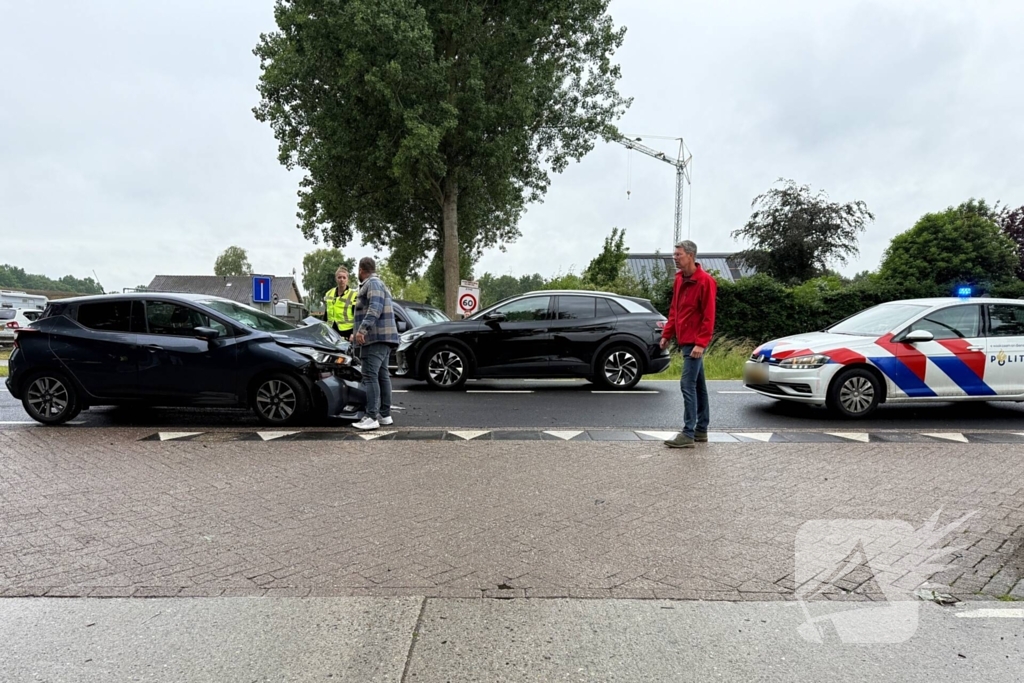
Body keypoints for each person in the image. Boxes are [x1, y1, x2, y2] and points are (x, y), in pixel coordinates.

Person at [661, 240, 717, 449]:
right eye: (674, 254)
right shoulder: (679, 279)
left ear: (691, 256)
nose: (675, 258)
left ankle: (688, 433)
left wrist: (701, 343)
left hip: (694, 343)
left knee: (687, 385)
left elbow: (708, 316)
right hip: (685, 341)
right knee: (699, 387)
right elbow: (675, 310)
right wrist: (667, 334)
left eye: (678, 254)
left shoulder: (705, 282)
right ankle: (701, 430)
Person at [351, 257, 400, 431]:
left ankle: (371, 416)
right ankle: (385, 415)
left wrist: (361, 330)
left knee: (370, 376)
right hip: (384, 338)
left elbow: (374, 309)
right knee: (382, 375)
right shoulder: (379, 284)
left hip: (375, 338)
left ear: (361, 269)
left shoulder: (372, 284)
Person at [325, 267, 358, 339]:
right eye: (339, 277)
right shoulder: (329, 293)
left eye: (344, 277)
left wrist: (354, 333)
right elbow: (326, 314)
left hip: (348, 332)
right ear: (336, 279)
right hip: (331, 331)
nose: (341, 280)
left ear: (347, 279)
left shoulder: (354, 295)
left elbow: (357, 316)